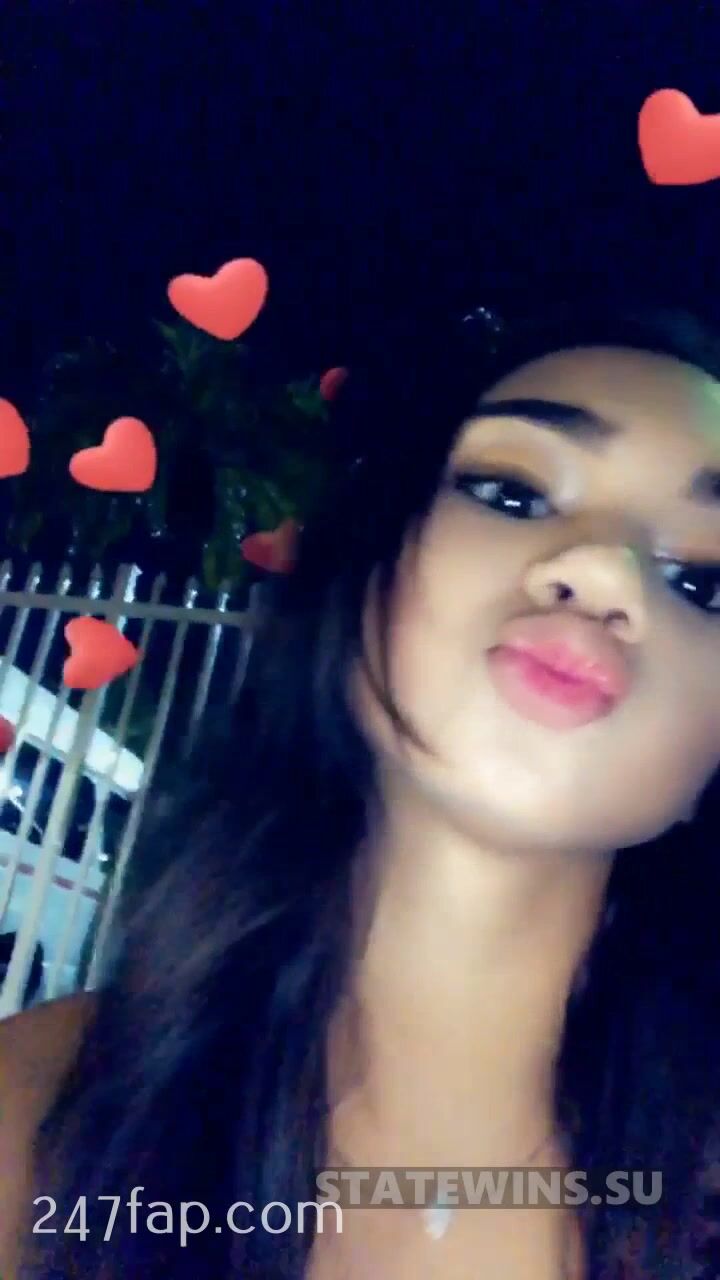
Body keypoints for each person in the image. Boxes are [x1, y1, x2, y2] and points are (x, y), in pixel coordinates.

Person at [2, 299, 720, 1280]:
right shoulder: (36, 1112)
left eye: (705, 582)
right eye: (511, 493)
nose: (603, 571)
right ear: (365, 579)